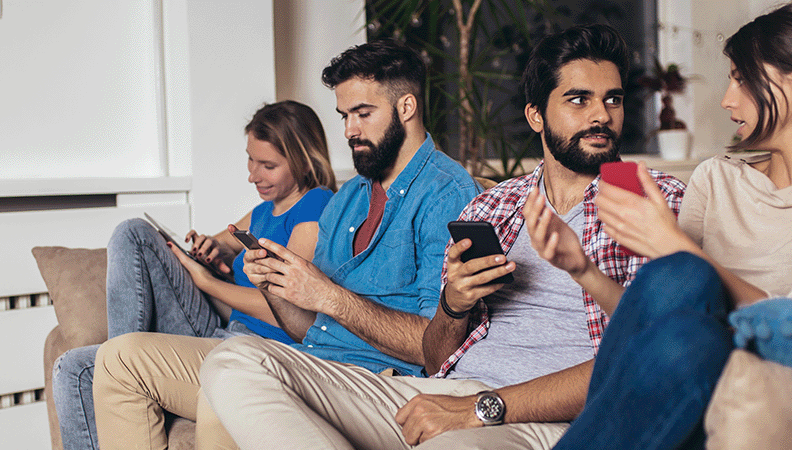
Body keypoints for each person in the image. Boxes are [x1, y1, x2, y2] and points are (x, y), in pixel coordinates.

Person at [197, 24, 685, 450]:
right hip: (446, 390)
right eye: (579, 100)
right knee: (235, 362)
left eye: (612, 100)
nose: (601, 115)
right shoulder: (495, 206)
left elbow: (644, 353)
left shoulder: (654, 202)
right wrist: (453, 303)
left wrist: (482, 408)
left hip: (533, 414)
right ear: (536, 116)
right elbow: (435, 355)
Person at [90, 40, 482, 449]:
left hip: (374, 379)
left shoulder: (447, 196)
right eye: (344, 115)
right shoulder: (348, 199)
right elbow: (308, 326)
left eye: (363, 114)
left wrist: (328, 295)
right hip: (310, 358)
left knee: (232, 384)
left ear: (406, 107)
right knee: (120, 358)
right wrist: (272, 283)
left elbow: (436, 347)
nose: (349, 130)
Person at [550, 4, 792, 449]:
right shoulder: (717, 177)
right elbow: (652, 318)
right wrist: (582, 268)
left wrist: (674, 243)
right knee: (680, 285)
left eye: (740, 78)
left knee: (688, 317)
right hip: (673, 368)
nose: (726, 99)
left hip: (758, 373)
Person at [51, 100, 337, 450]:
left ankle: (121, 368)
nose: (253, 175)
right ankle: (120, 361)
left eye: (268, 165)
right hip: (221, 329)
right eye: (251, 159)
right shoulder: (263, 210)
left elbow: (290, 312)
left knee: (82, 369)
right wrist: (208, 251)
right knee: (72, 366)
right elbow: (219, 243)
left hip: (257, 348)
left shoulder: (316, 206)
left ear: (304, 160)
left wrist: (208, 283)